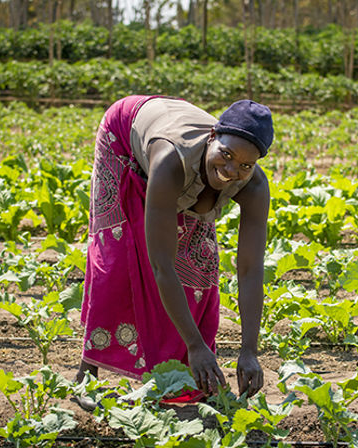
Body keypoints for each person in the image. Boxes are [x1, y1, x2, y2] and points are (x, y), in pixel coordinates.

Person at [75, 95, 272, 409]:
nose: (232, 170)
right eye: (227, 155)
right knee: (117, 257)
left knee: (200, 264)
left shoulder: (255, 187)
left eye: (246, 165)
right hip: (125, 137)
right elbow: (162, 266)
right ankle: (86, 375)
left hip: (183, 154)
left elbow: (250, 270)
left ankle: (184, 379)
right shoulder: (170, 160)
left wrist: (249, 349)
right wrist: (194, 345)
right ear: (212, 137)